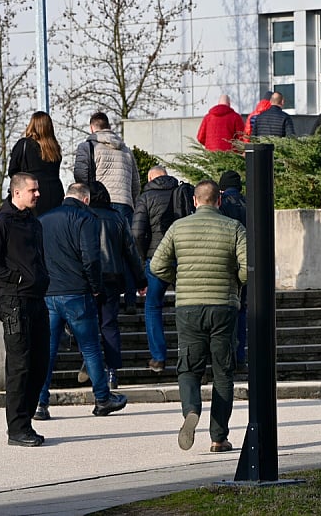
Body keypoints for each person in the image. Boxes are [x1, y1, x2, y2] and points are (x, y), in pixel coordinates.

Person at [150, 180, 247, 453]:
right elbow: (247, 266)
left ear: (194, 201)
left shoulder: (178, 227)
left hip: (189, 307)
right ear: (219, 200)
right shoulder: (234, 227)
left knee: (189, 368)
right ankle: (218, 437)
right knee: (223, 372)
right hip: (223, 306)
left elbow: (157, 264)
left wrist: (179, 280)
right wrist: (235, 283)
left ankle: (191, 409)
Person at [34, 182, 128, 420]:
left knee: (47, 351)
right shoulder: (86, 218)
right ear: (86, 200)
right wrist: (95, 287)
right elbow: (91, 258)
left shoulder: (43, 220)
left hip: (49, 293)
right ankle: (102, 398)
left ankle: (40, 403)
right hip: (77, 293)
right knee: (90, 348)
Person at [0, 172, 50, 447]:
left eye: (37, 189)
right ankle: (17, 429)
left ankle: (25, 423)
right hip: (14, 303)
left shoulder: (34, 223)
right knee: (20, 366)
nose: (38, 194)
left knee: (40, 365)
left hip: (37, 299)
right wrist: (15, 277)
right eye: (33, 190)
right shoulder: (2, 223)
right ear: (16, 192)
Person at [74, 111, 141, 312]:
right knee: (127, 251)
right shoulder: (126, 150)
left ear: (92, 127)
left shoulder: (88, 146)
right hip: (124, 204)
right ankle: (130, 300)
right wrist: (131, 202)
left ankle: (102, 296)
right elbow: (136, 182)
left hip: (98, 204)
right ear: (108, 126)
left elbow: (80, 175)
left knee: (98, 249)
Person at [89, 181, 148, 389]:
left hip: (88, 278)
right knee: (110, 324)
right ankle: (112, 372)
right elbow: (131, 251)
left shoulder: (83, 216)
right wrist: (140, 279)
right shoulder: (117, 218)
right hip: (113, 276)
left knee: (88, 324)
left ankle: (90, 364)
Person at [132, 165, 182, 373]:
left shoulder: (146, 197)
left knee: (153, 306)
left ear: (150, 178)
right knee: (186, 305)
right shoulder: (181, 192)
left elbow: (137, 233)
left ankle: (159, 357)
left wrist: (142, 259)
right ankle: (189, 357)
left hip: (155, 257)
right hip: (182, 255)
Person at [8, 111, 64, 216]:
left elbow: (12, 170)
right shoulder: (55, 148)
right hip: (55, 194)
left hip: (32, 194)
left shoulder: (24, 144)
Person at [218, 170, 248, 364]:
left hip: (228, 262)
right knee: (242, 309)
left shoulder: (223, 204)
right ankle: (240, 354)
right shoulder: (248, 202)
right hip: (246, 262)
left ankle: (227, 355)